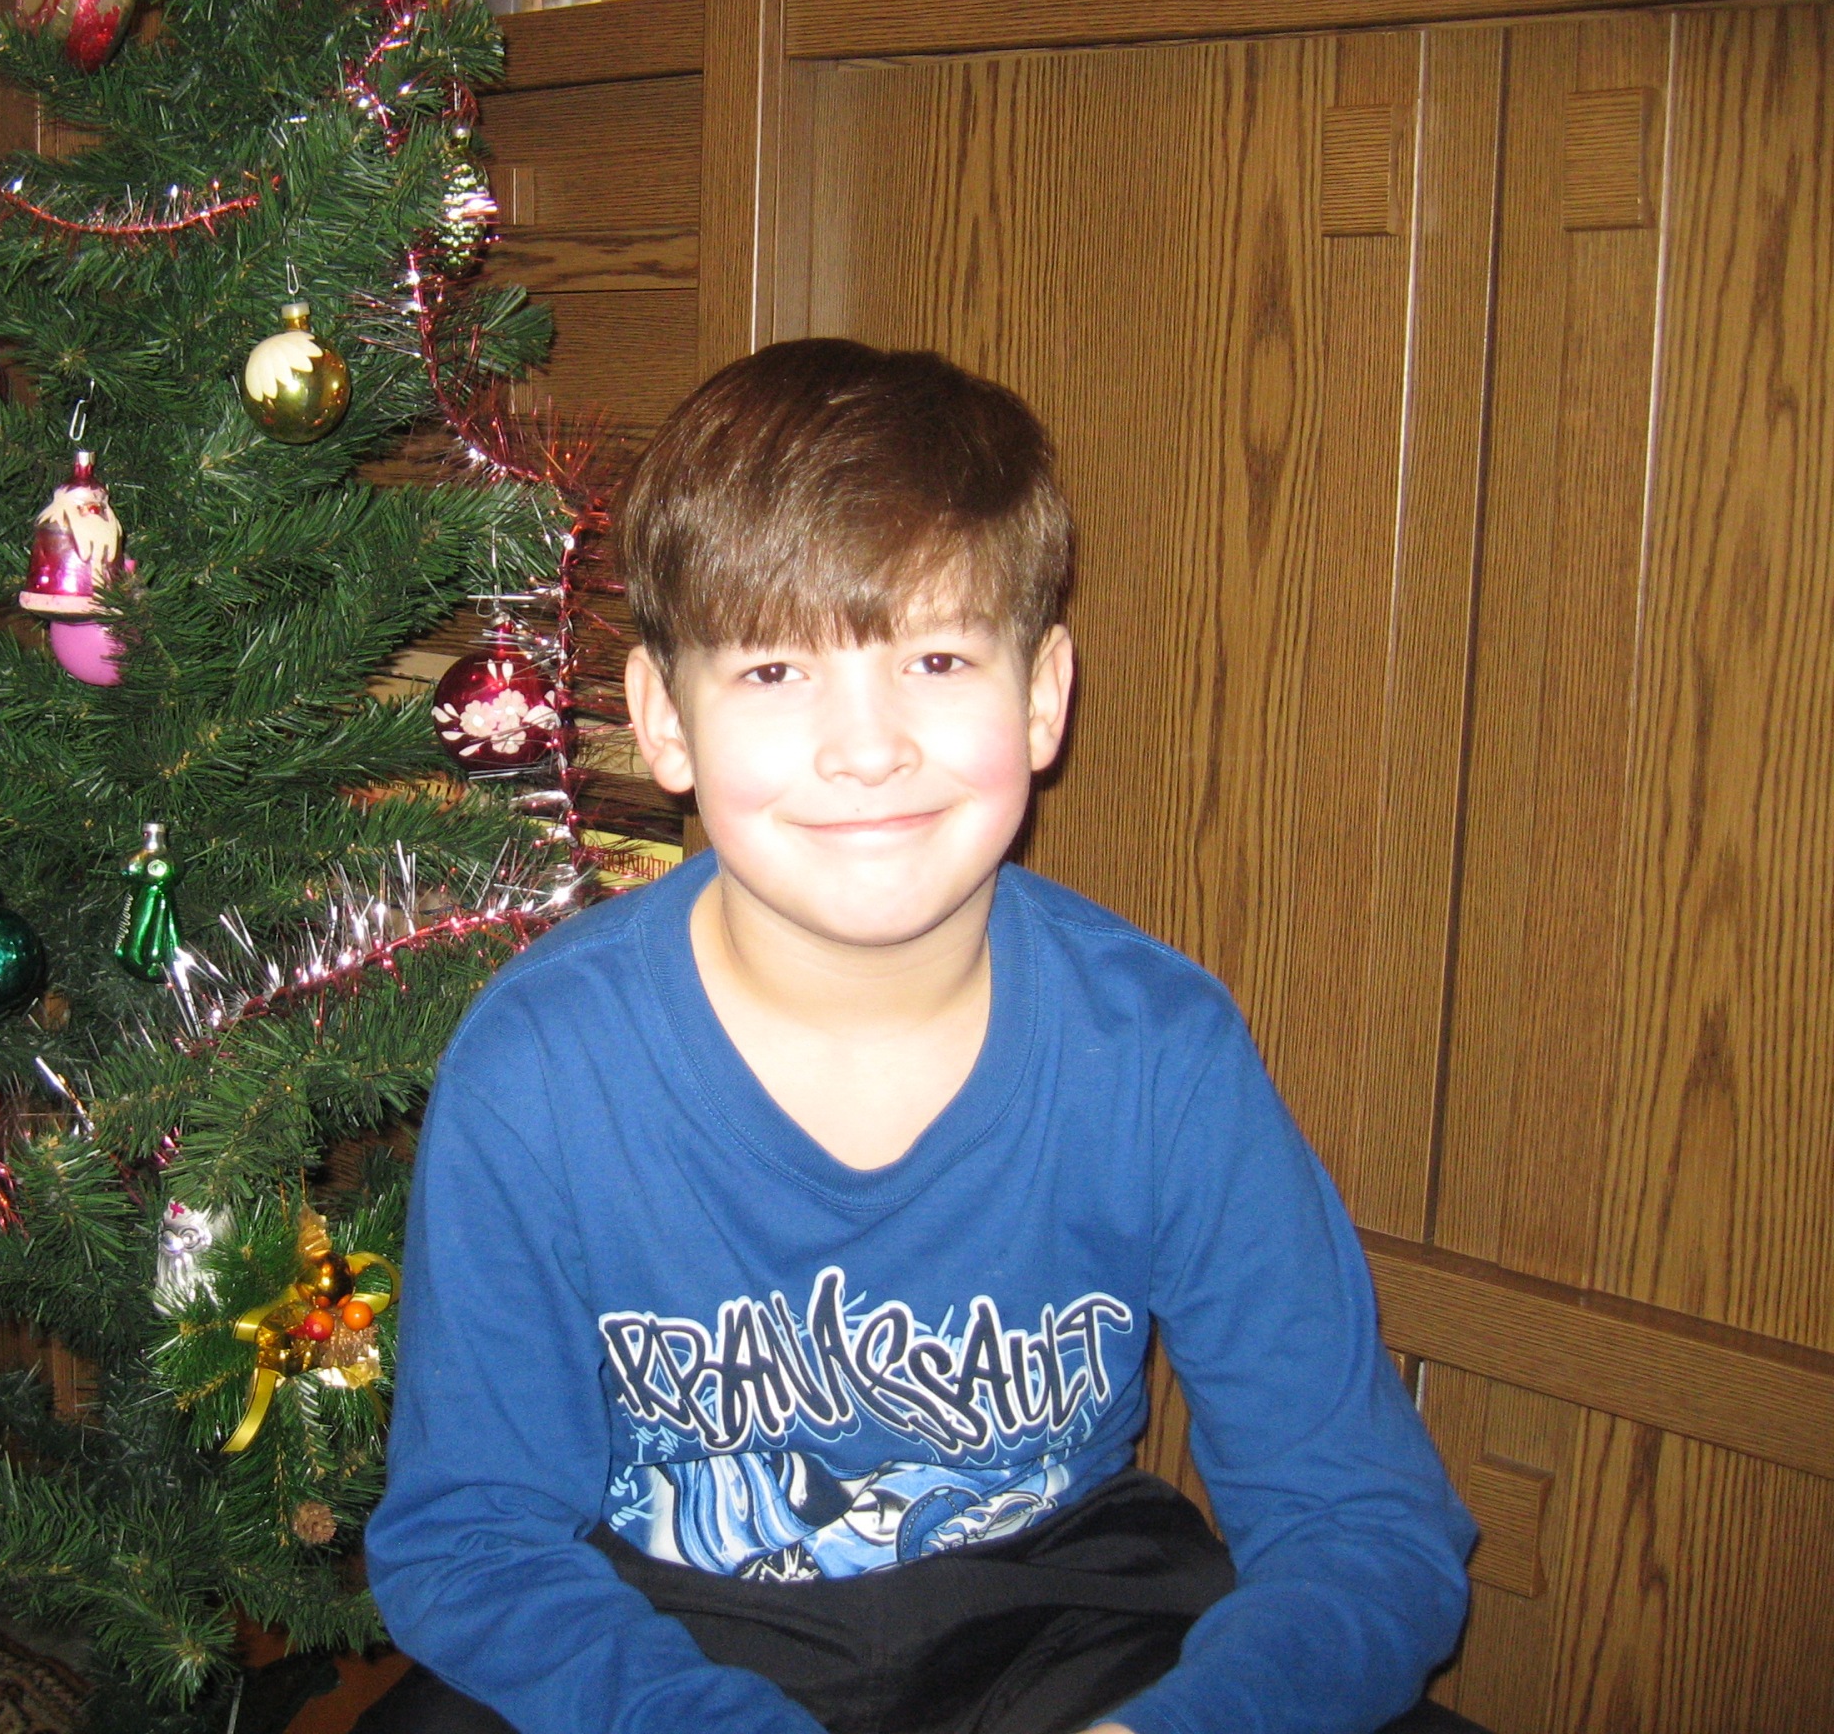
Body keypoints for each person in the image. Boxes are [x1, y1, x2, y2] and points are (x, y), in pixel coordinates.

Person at [362, 340, 1482, 1734]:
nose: (868, 747)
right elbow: (470, 1540)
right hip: (657, 1641)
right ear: (664, 720)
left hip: (1062, 1622)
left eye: (937, 658)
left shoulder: (1157, 1050)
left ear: (1042, 694)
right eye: (775, 670)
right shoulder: (539, 1067)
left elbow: (1367, 1527)